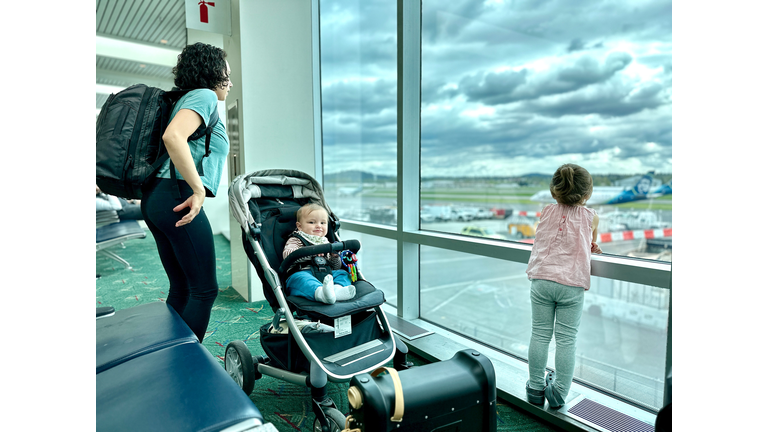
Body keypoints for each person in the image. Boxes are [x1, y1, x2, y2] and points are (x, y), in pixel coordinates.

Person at [139, 42, 233, 343]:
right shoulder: (204, 96)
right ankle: (186, 365)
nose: (230, 83)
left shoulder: (184, 98)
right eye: (227, 75)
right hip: (177, 196)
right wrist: (197, 188)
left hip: (158, 198)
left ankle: (169, 354)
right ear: (213, 72)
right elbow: (173, 137)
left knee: (181, 288)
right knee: (205, 290)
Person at [524, 163, 603, 409]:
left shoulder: (547, 211)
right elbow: (589, 243)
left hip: (542, 280)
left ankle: (536, 388)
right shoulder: (591, 217)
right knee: (566, 340)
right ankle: (558, 393)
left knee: (539, 334)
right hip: (571, 284)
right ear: (587, 194)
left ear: (554, 192)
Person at [282, 203, 356, 304]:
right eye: (312, 222)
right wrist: (312, 252)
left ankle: (337, 291)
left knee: (343, 274)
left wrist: (334, 257)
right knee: (301, 280)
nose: (318, 226)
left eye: (323, 223)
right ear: (299, 226)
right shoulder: (296, 239)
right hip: (303, 272)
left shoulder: (326, 242)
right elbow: (288, 255)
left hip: (326, 274)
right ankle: (322, 294)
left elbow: (336, 266)